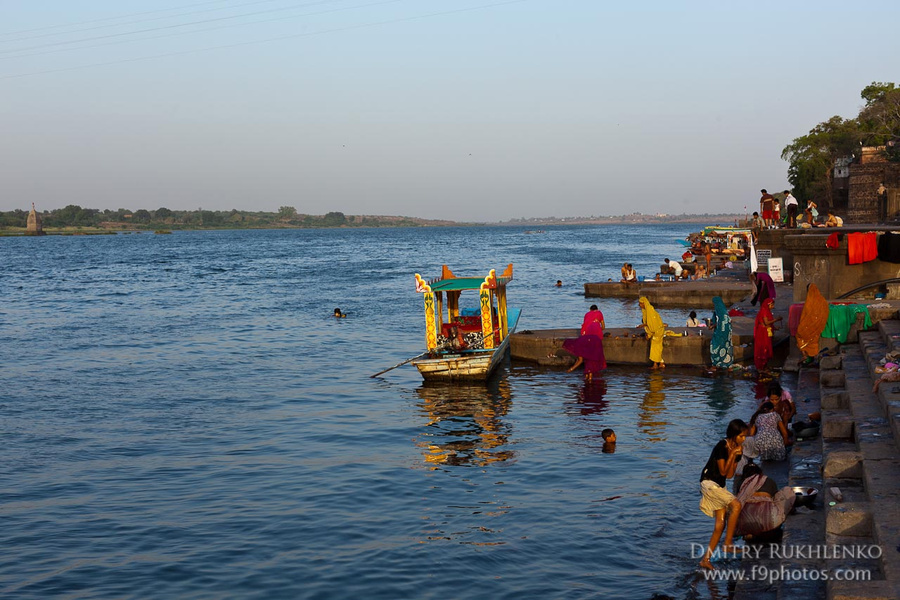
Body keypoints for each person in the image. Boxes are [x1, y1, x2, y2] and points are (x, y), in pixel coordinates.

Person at [698, 419, 748, 569]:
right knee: (736, 505)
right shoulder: (721, 446)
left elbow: (729, 475)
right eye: (741, 436)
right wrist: (732, 454)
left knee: (720, 524)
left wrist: (734, 456)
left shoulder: (738, 449)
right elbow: (722, 471)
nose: (743, 439)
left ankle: (705, 560)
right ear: (733, 435)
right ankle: (728, 543)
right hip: (709, 483)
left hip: (720, 485)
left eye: (744, 436)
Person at [734, 464, 796, 539]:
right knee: (787, 491)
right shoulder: (769, 480)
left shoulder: (741, 483)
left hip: (745, 522)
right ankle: (769, 529)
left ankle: (750, 532)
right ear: (760, 472)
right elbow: (776, 499)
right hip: (770, 522)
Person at [564, 314, 606, 382]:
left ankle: (589, 383)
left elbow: (580, 361)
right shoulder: (579, 343)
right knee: (587, 371)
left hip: (593, 348)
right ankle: (588, 382)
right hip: (594, 344)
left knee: (589, 371)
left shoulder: (578, 347)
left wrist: (571, 369)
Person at [796, 284, 829, 363]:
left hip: (809, 325)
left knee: (799, 336)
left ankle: (804, 355)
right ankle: (814, 356)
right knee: (814, 340)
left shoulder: (809, 300)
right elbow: (825, 312)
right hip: (818, 326)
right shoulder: (822, 300)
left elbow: (806, 313)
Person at [638, 297, 667, 369]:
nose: (639, 305)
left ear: (644, 303)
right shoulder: (646, 311)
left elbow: (651, 324)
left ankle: (655, 365)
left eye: (640, 304)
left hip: (657, 331)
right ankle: (661, 363)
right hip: (657, 330)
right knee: (658, 348)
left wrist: (642, 326)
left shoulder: (650, 310)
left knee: (655, 348)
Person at [753, 298, 781, 373]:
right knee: (763, 348)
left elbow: (769, 324)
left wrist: (775, 328)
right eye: (772, 305)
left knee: (767, 348)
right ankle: (760, 368)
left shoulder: (768, 311)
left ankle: (764, 366)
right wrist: (776, 320)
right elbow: (766, 323)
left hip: (766, 332)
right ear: (768, 305)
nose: (773, 306)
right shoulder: (764, 311)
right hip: (762, 332)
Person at [710, 296, 734, 370]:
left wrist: (712, 326)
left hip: (720, 334)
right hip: (727, 334)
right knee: (727, 348)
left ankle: (716, 364)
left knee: (714, 347)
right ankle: (728, 365)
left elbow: (720, 322)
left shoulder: (720, 312)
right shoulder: (724, 311)